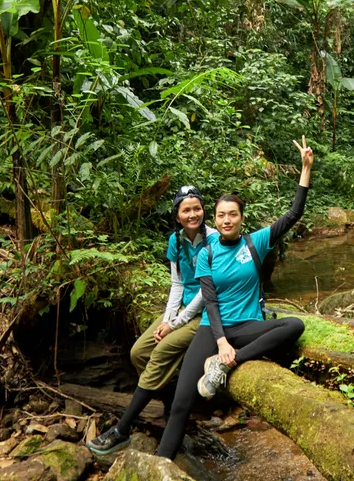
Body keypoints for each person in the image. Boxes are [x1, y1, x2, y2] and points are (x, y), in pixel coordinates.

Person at [155, 137, 314, 460]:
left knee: (294, 324)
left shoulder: (257, 242)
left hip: (249, 324)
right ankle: (160, 463)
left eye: (233, 214)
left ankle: (224, 367)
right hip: (213, 328)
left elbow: (294, 214)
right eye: (221, 215)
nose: (227, 220)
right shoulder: (207, 253)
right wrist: (222, 342)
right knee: (183, 400)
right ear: (215, 220)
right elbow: (210, 302)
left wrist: (305, 170)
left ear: (242, 217)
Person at [87, 184, 211, 455]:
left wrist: (174, 325)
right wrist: (167, 318)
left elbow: (205, 290)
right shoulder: (175, 241)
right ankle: (169, 400)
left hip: (205, 313)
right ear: (177, 214)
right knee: (138, 352)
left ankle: (122, 430)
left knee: (161, 351)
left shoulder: (213, 239)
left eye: (197, 208)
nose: (193, 214)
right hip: (181, 311)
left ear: (203, 209)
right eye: (186, 210)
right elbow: (177, 284)